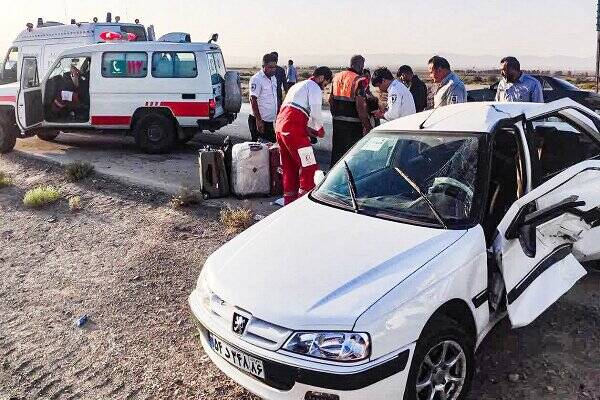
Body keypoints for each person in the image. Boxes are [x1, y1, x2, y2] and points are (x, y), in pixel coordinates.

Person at [276, 66, 333, 205]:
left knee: (289, 168)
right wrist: (320, 130)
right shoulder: (314, 87)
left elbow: (294, 109)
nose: (324, 87)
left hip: (280, 126)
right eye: (325, 83)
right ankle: (304, 202)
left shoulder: (297, 86)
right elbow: (315, 113)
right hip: (294, 129)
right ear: (320, 78)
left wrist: (308, 129)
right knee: (308, 167)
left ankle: (289, 201)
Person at [329, 55, 372, 168]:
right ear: (360, 65)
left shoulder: (337, 77)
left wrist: (335, 116)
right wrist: (367, 126)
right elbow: (360, 106)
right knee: (352, 157)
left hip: (338, 122)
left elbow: (331, 100)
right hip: (353, 125)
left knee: (337, 155)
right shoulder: (359, 80)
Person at [248, 53, 278, 142]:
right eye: (270, 67)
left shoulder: (273, 78)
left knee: (269, 149)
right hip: (259, 120)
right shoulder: (257, 79)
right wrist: (258, 120)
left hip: (269, 121)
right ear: (263, 66)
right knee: (260, 150)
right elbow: (253, 99)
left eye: (274, 67)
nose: (273, 69)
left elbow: (274, 98)